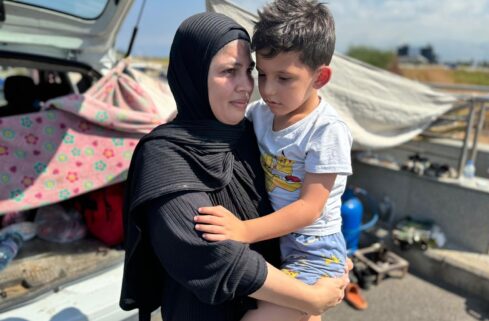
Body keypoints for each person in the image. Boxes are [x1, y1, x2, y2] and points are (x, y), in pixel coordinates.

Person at [119, 12, 350, 321]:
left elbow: (312, 206)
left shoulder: (245, 132)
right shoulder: (164, 155)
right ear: (194, 75)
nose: (251, 87)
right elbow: (213, 256)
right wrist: (311, 299)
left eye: (249, 71)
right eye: (230, 71)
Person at [193, 1, 352, 320]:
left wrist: (244, 231)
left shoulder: (326, 131)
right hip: (278, 242)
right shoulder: (262, 114)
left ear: (320, 77)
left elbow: (310, 208)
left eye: (284, 78)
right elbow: (222, 119)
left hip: (314, 249)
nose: (267, 90)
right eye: (262, 74)